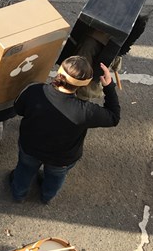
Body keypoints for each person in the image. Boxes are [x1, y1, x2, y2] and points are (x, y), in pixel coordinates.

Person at [8, 56, 120, 204]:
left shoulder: (34, 91)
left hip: (30, 148)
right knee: (55, 179)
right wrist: (109, 86)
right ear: (84, 84)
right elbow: (114, 117)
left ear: (59, 72)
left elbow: (19, 109)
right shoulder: (86, 111)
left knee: (24, 170)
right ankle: (46, 197)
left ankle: (19, 194)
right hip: (62, 158)